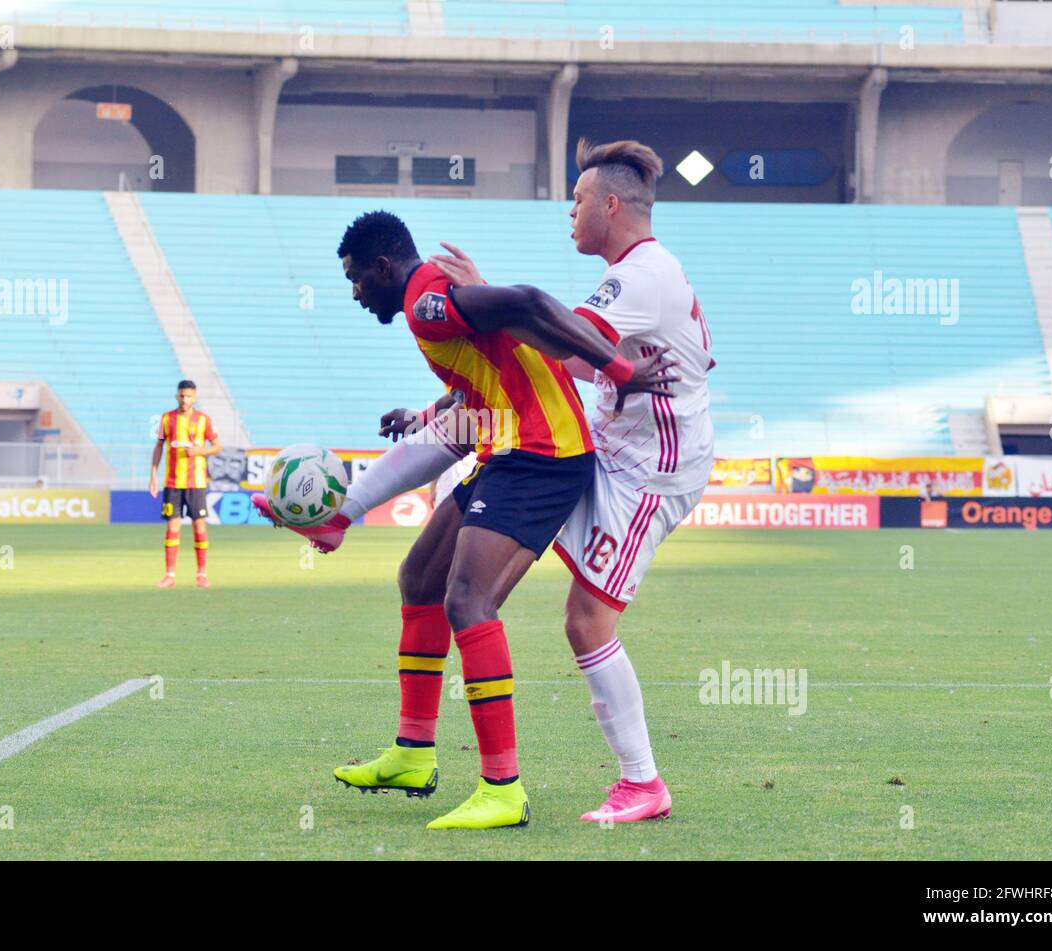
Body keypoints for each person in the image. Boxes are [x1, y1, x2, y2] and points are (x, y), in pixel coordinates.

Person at [261, 139, 714, 824]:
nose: (571, 212)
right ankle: (415, 749)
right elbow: (516, 364)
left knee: (550, 614)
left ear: (611, 205)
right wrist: (426, 412)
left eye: (580, 199)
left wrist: (487, 304)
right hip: (556, 446)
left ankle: (566, 785)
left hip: (643, 467)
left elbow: (545, 326)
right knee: (422, 579)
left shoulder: (639, 276)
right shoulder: (445, 305)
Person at [150, 380, 221, 588]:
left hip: (196, 483)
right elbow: (158, 446)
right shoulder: (167, 418)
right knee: (172, 525)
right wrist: (153, 474)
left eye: (188, 396)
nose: (184, 399)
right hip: (172, 482)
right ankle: (170, 575)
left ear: (194, 397)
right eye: (181, 395)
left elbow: (217, 446)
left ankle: (201, 574)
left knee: (199, 525)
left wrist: (200, 451)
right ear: (176, 396)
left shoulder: (203, 420)